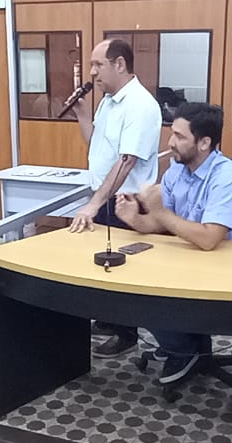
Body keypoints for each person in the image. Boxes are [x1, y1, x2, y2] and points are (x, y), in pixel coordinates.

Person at [113, 104, 232, 384]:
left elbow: (209, 239)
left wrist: (160, 211)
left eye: (179, 136)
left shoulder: (226, 177)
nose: (170, 143)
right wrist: (134, 218)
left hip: (223, 273)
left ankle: (184, 349)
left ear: (204, 143)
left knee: (146, 293)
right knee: (127, 283)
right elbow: (162, 223)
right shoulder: (177, 170)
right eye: (171, 133)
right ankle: (181, 343)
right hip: (187, 262)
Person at [69, 38, 162, 356]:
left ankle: (127, 333)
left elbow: (127, 160)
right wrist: (82, 115)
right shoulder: (108, 100)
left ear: (119, 64)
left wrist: (94, 204)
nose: (92, 72)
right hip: (105, 195)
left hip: (127, 201)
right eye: (92, 65)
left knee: (124, 268)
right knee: (104, 262)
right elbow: (97, 144)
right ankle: (110, 320)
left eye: (98, 65)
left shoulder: (140, 104)